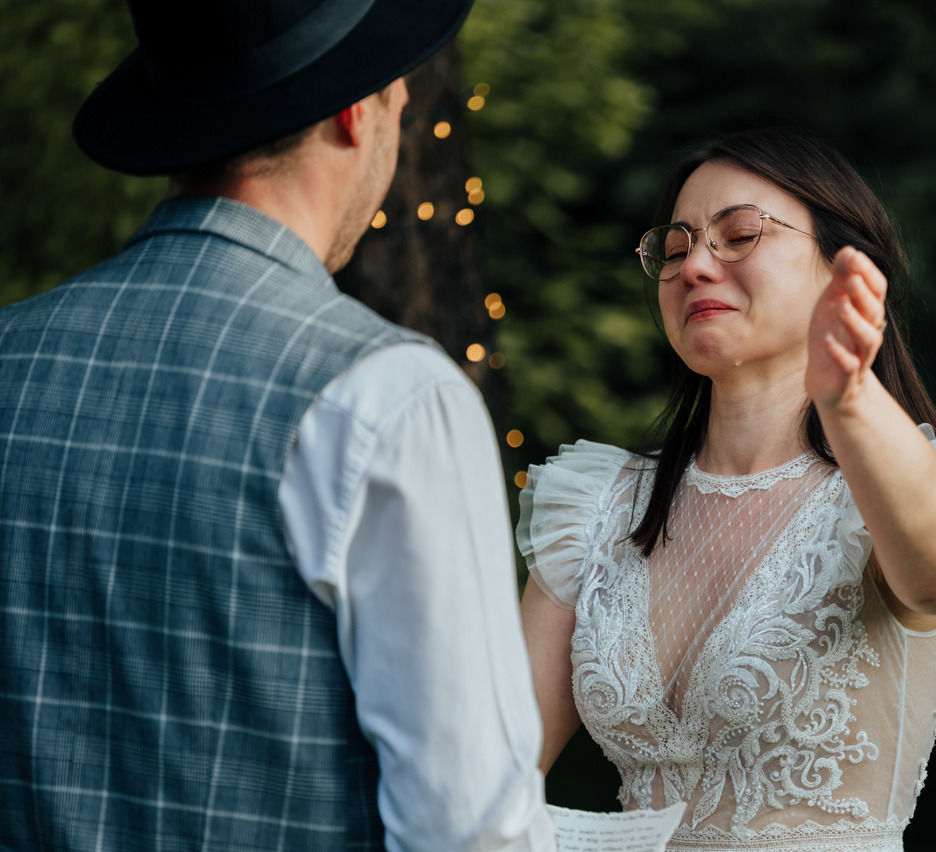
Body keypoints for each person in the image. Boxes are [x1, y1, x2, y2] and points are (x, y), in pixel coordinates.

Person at [0, 2, 554, 850]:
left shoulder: (11, 351)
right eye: (397, 92)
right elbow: (471, 828)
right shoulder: (390, 396)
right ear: (353, 110)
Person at [517, 128, 936, 851]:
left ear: (846, 269)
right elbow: (488, 760)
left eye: (739, 235)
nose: (695, 267)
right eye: (673, 249)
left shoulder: (881, 491)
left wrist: (848, 399)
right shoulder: (598, 505)